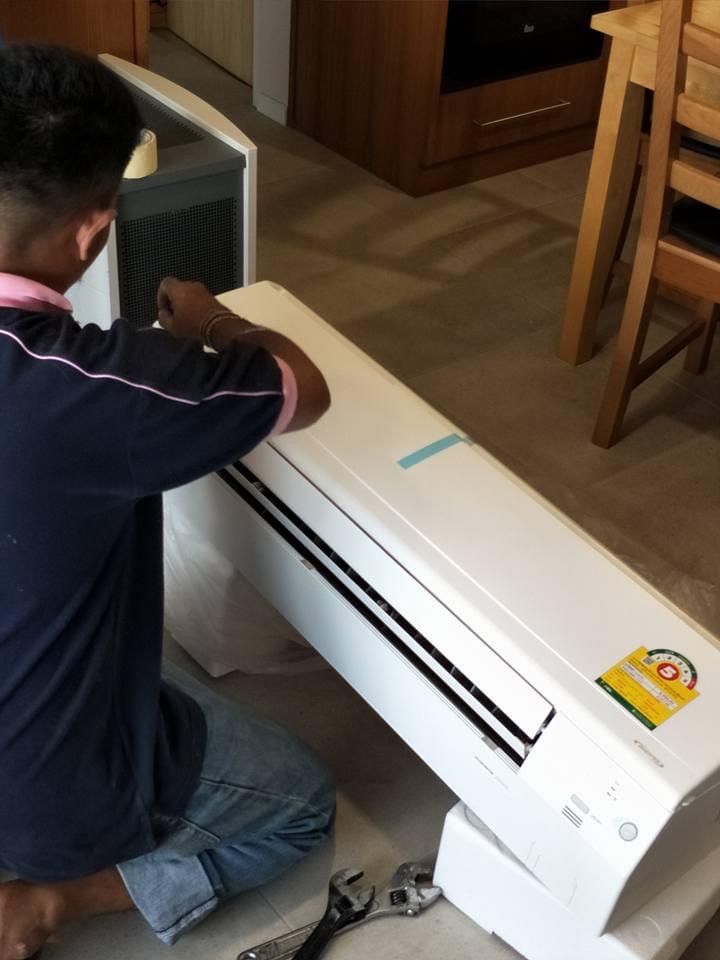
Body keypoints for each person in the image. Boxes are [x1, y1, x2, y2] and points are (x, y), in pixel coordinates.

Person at [0, 43, 334, 959]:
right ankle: (50, 901)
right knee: (301, 804)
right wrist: (212, 321)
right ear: (92, 231)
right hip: (42, 794)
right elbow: (300, 385)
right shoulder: (86, 388)